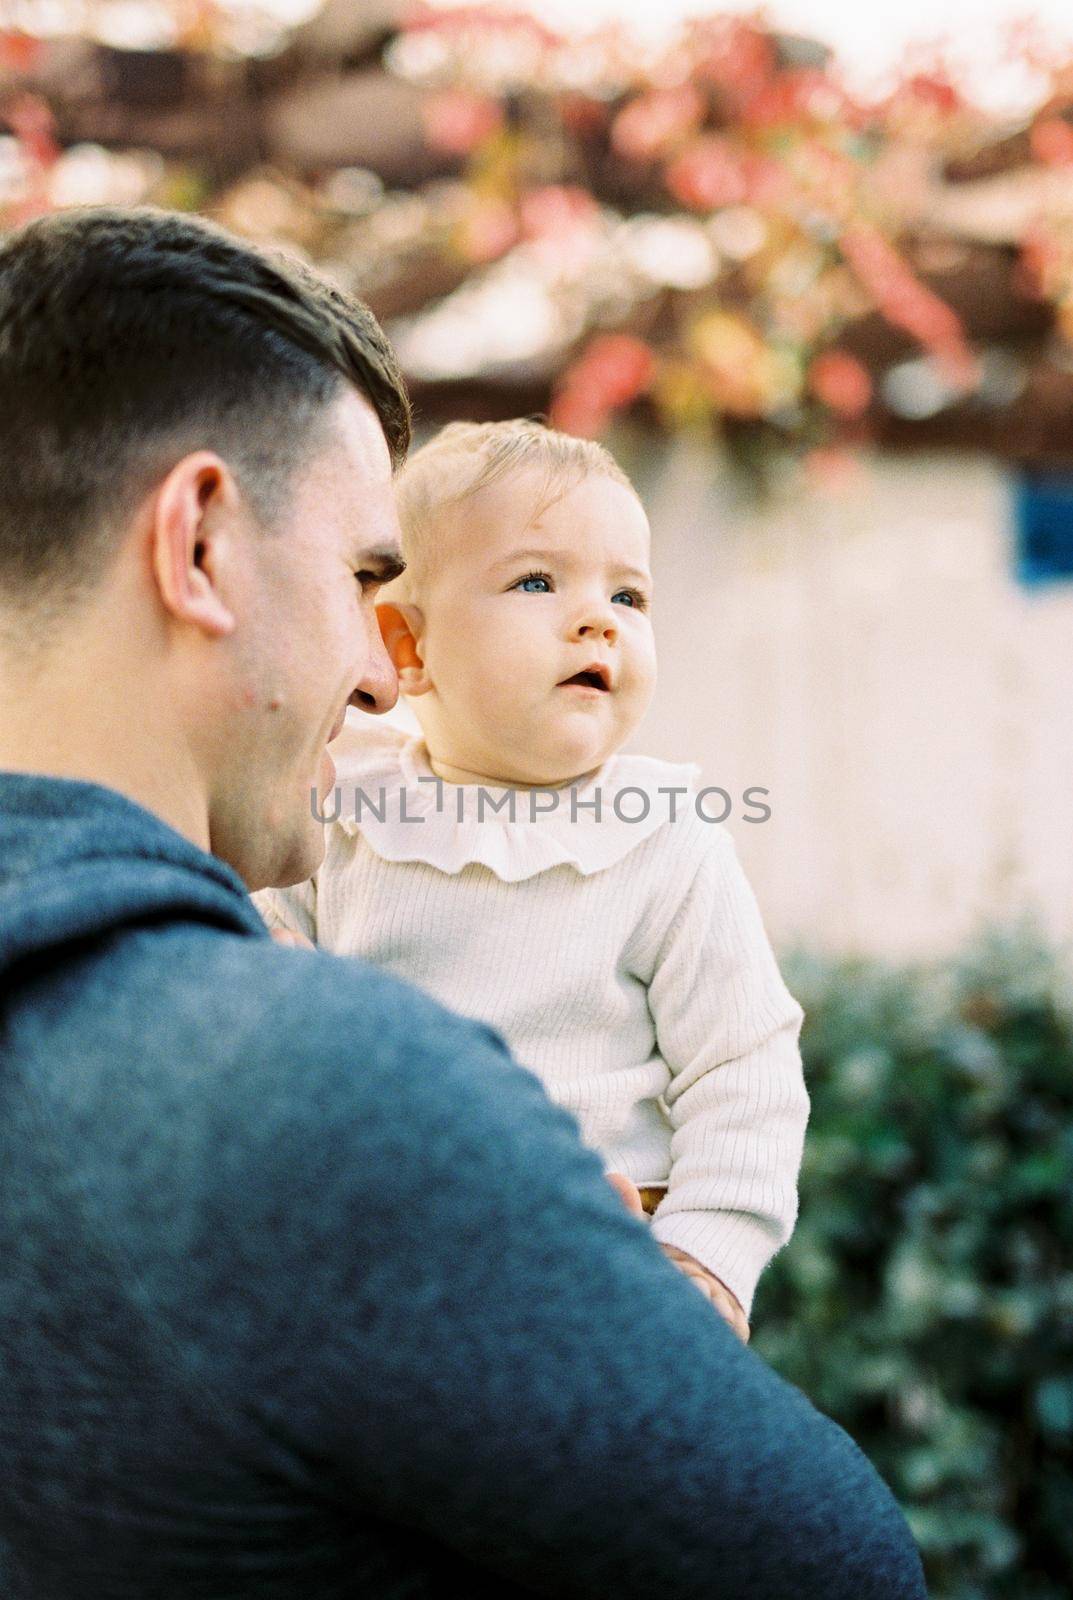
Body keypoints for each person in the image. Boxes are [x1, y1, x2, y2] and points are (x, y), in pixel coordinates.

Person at [0, 206, 926, 1599]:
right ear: (198, 545)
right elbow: (842, 1572)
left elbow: (742, 1067)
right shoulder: (309, 1093)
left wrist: (706, 1261)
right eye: (366, 584)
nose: (380, 683)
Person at [257, 419, 810, 1344]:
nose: (597, 618)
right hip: (377, 1254)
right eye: (535, 581)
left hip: (600, 1262)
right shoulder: (340, 804)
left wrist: (704, 1253)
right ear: (406, 646)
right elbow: (263, 987)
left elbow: (742, 1064)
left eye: (628, 595)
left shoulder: (665, 839)